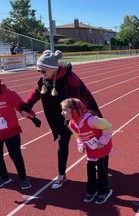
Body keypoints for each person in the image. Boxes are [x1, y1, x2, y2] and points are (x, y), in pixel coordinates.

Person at [21, 50, 103, 190]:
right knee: (62, 141)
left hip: (81, 111)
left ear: (53, 69)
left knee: (90, 138)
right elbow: (36, 92)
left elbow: (74, 103)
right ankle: (61, 175)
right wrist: (27, 106)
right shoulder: (44, 78)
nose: (40, 72)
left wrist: (70, 123)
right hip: (63, 112)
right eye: (38, 70)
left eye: (43, 70)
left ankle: (97, 162)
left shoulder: (71, 79)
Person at [60, 98, 112, 204]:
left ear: (75, 111)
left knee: (101, 170)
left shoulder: (91, 120)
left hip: (102, 148)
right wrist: (81, 144)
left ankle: (104, 191)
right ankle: (91, 191)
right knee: (90, 169)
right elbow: (78, 136)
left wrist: (101, 142)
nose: (62, 113)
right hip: (91, 149)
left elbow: (108, 127)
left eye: (65, 110)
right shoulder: (72, 124)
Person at [0, 79, 40, 190]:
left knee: (15, 155)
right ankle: (4, 177)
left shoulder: (9, 94)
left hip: (11, 131)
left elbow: (21, 107)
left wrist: (33, 119)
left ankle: (23, 178)